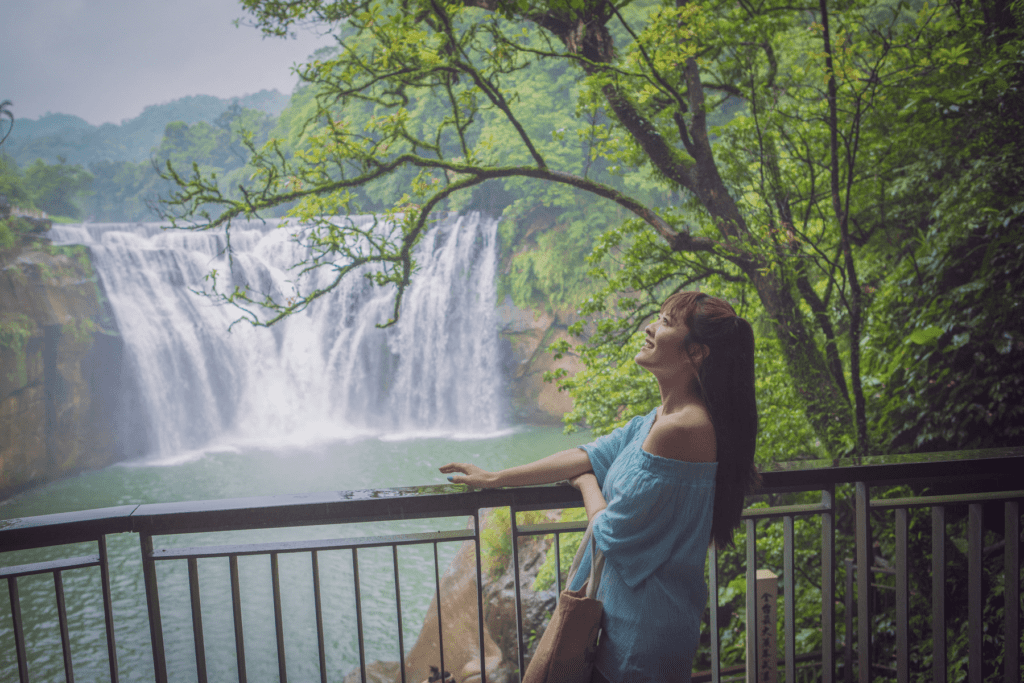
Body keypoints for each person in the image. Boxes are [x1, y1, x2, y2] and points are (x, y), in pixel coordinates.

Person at [440, 291, 759, 683]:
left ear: (696, 353)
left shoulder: (682, 429)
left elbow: (612, 532)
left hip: (643, 638)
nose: (650, 327)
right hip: (619, 625)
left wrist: (588, 484)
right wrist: (495, 479)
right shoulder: (658, 419)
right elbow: (587, 453)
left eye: (666, 322)